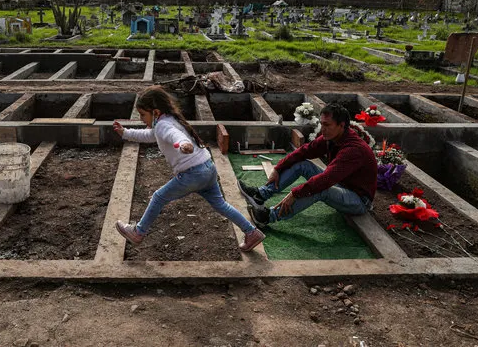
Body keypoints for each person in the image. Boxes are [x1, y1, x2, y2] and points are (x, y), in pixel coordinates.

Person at [113, 86, 265, 252]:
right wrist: (125, 132)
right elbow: (148, 135)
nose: (142, 119)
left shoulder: (164, 125)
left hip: (193, 174)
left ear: (155, 112)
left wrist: (184, 144)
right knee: (221, 204)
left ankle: (138, 232)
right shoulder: (169, 120)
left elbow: (175, 136)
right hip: (208, 167)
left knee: (158, 197)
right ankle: (251, 232)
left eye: (143, 115)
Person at [238, 103, 377, 228]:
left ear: (341, 125)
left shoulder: (352, 150)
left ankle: (268, 217)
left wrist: (295, 193)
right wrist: (277, 168)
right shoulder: (333, 137)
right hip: (341, 186)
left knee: (320, 188)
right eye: (321, 124)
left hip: (358, 200)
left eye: (327, 125)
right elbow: (303, 152)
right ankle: (260, 195)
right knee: (302, 164)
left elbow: (326, 180)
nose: (323, 129)